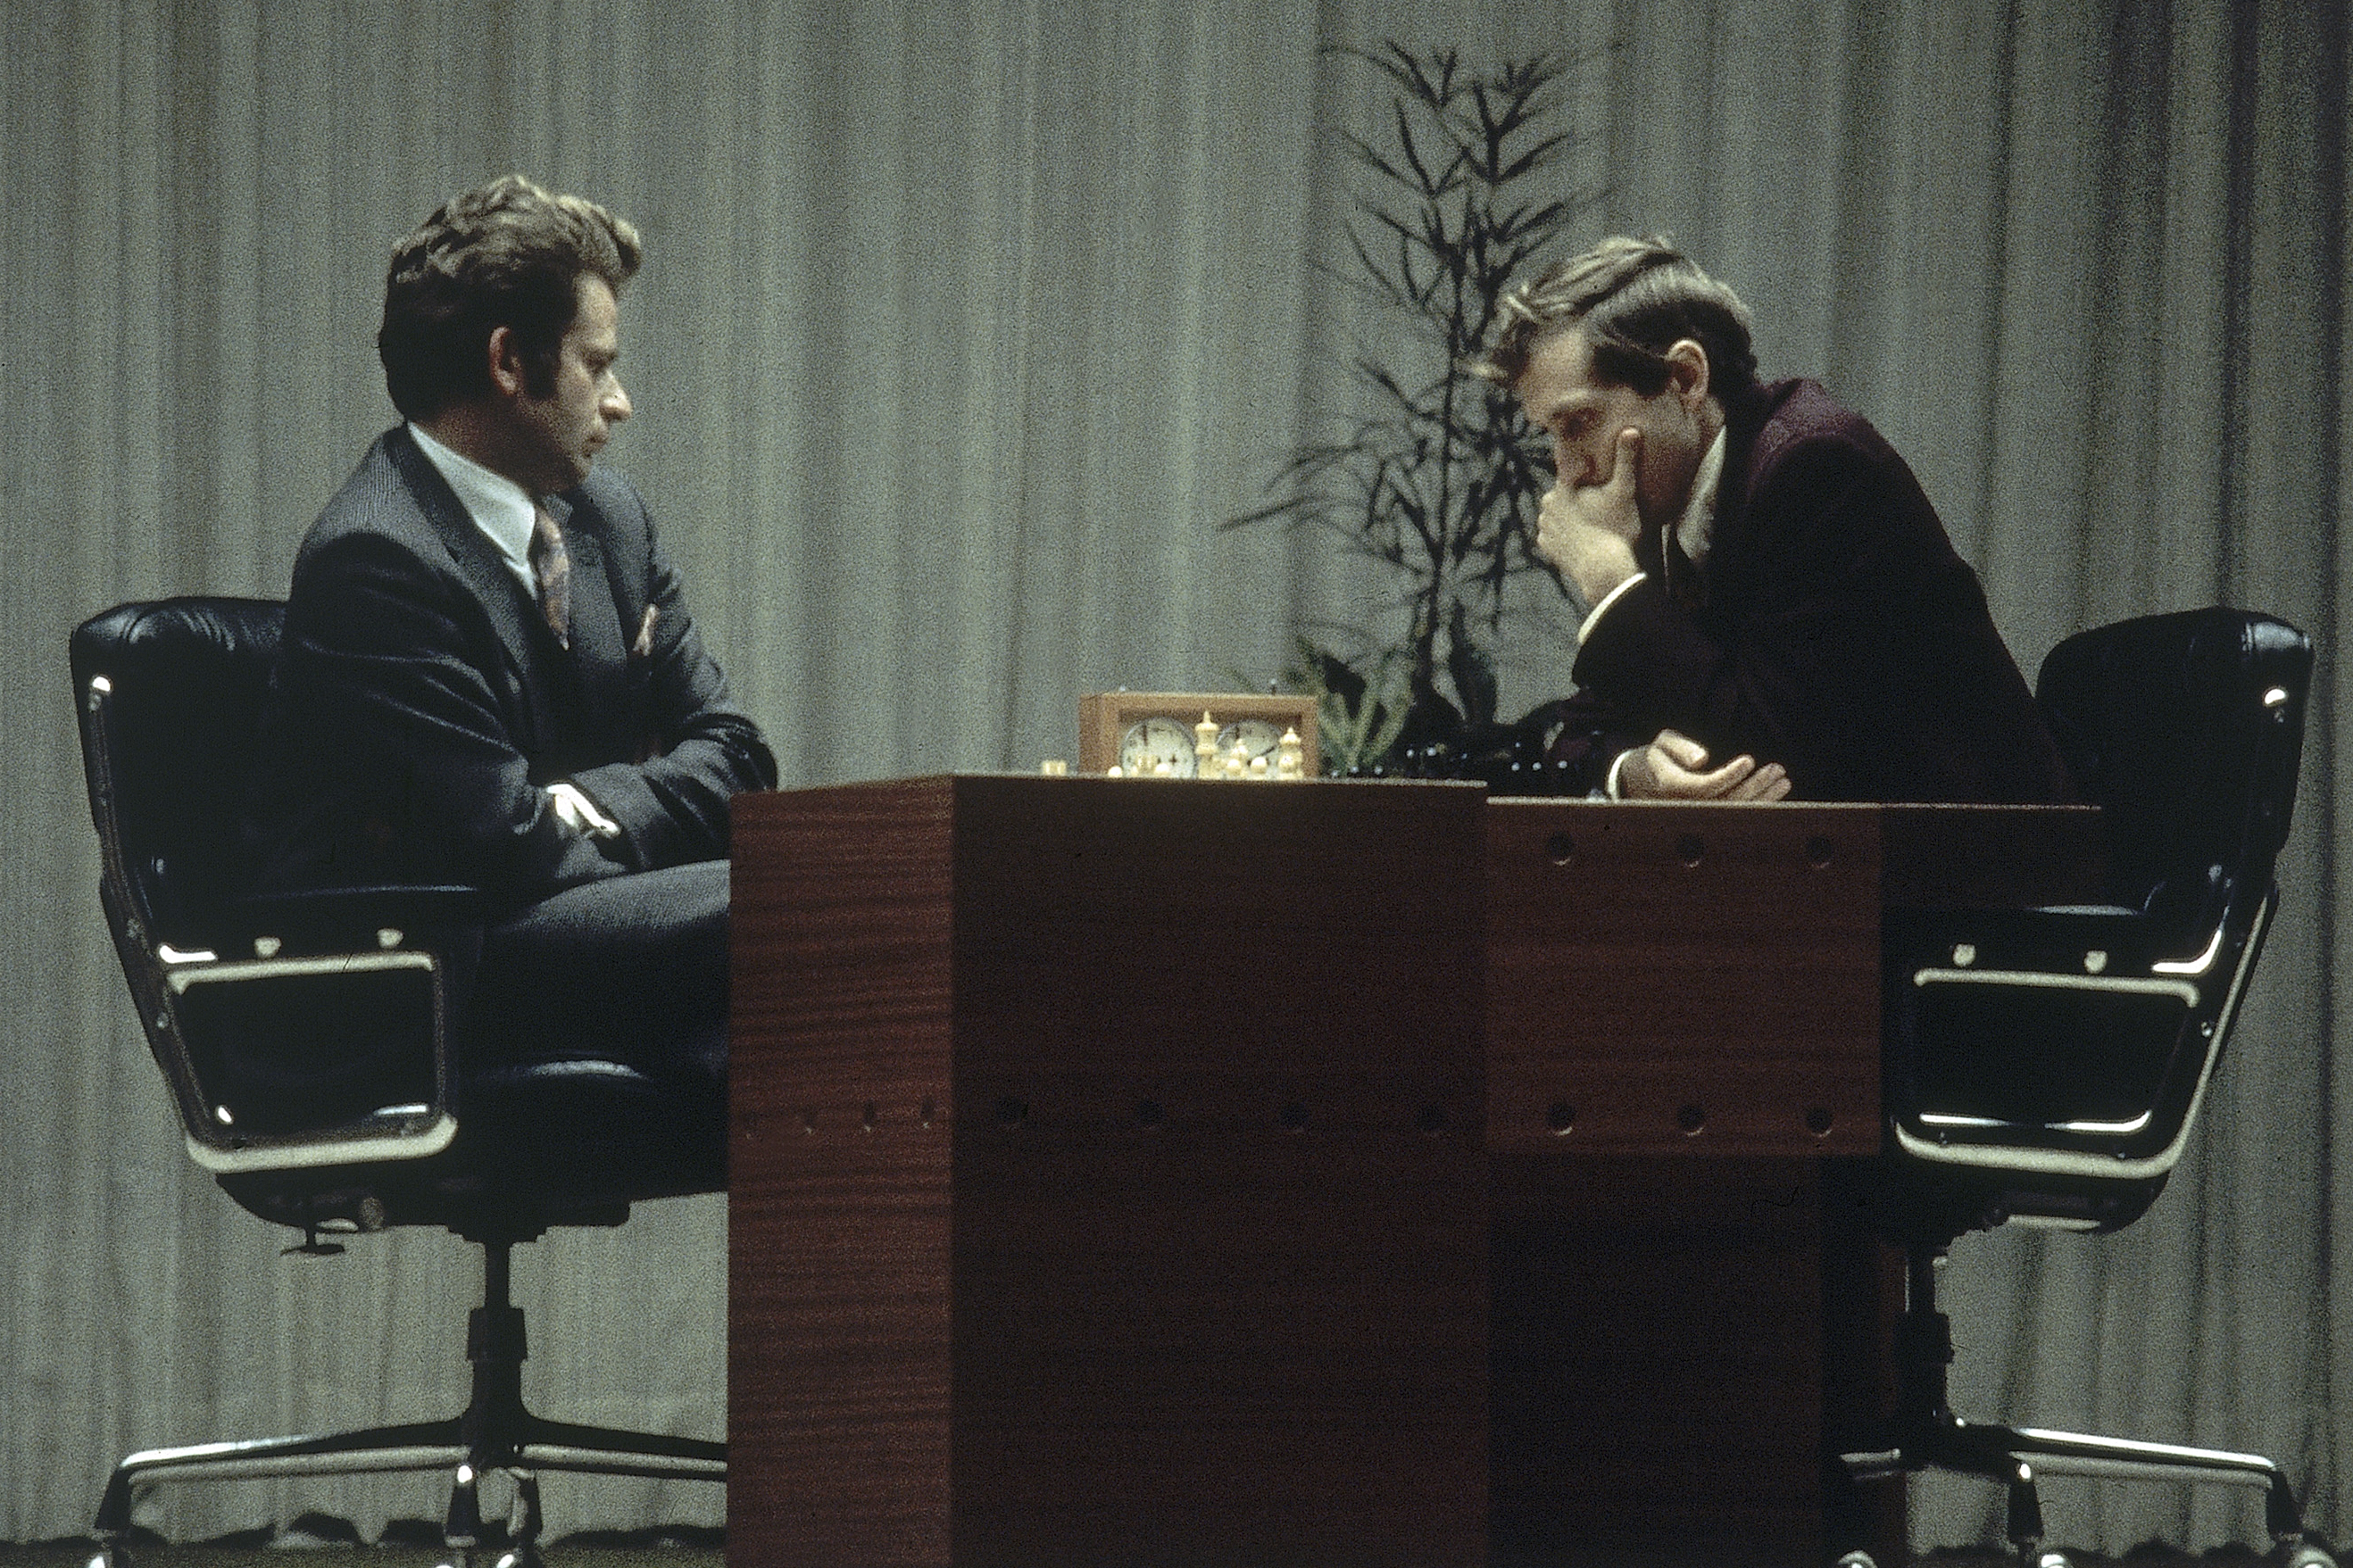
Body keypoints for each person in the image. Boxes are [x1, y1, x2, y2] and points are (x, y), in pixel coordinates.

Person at [243, 176, 776, 1085]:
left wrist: (580, 803)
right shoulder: (377, 556)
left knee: (830, 1031)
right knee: (809, 916)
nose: (619, 403)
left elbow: (738, 761)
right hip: (430, 979)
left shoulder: (610, 521)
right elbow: (506, 845)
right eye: (597, 364)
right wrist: (632, 797)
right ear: (508, 363)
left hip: (571, 926)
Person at [1480, 236, 2072, 805]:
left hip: (1980, 881)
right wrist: (1633, 772)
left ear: (1685, 379)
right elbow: (1578, 740)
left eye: (1579, 422)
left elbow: (1777, 763)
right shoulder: (1662, 495)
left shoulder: (1817, 471)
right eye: (1549, 435)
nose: (1568, 473)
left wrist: (1612, 582)